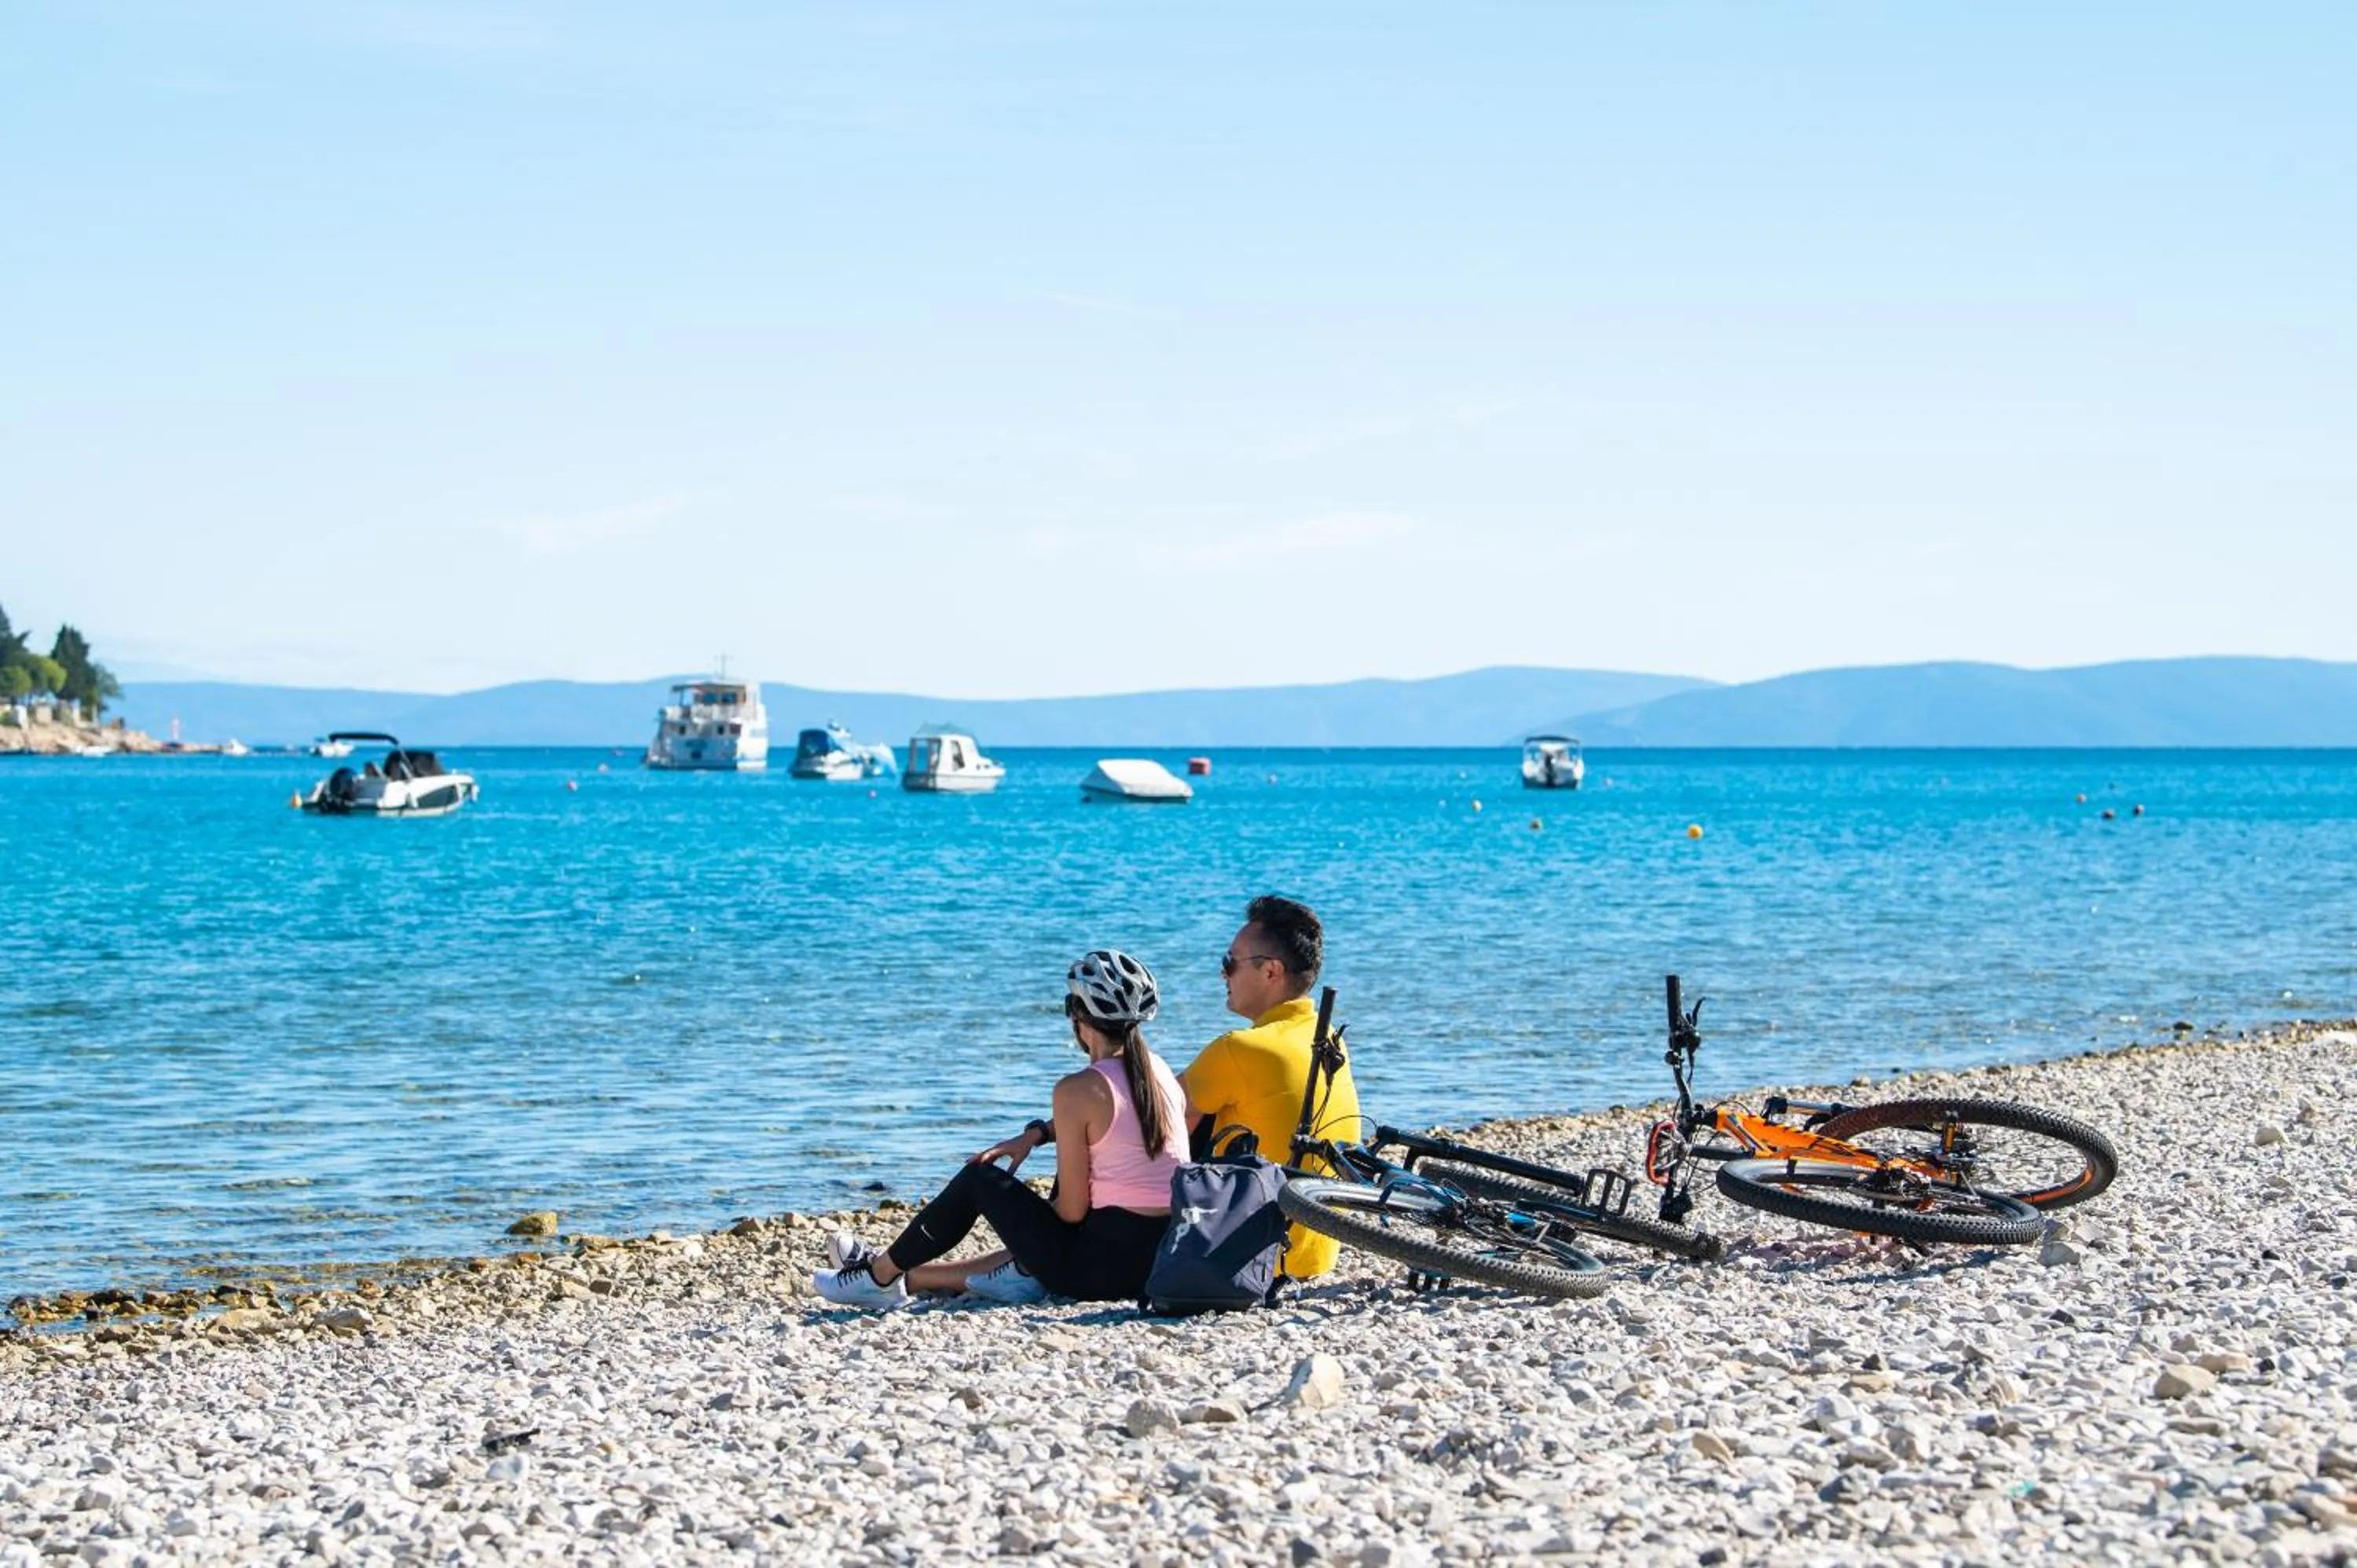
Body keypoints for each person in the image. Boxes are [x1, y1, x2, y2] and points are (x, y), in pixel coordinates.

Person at [812, 950, 1187, 1310]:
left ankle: (877, 1279)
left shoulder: (1076, 1090)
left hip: (1100, 1275)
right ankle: (997, 1274)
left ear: (1077, 1015)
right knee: (1076, 1171)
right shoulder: (1158, 1073)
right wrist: (1037, 1135)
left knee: (980, 1178)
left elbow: (1072, 1213)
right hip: (1160, 1263)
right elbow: (1116, 1125)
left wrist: (1023, 1230)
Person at [1179, 895, 1360, 1280]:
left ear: (1271, 972)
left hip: (1249, 1259)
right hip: (1314, 1257)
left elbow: (1148, 1116)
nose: (1223, 975)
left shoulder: (1240, 1049)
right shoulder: (1327, 1037)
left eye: (1229, 963)